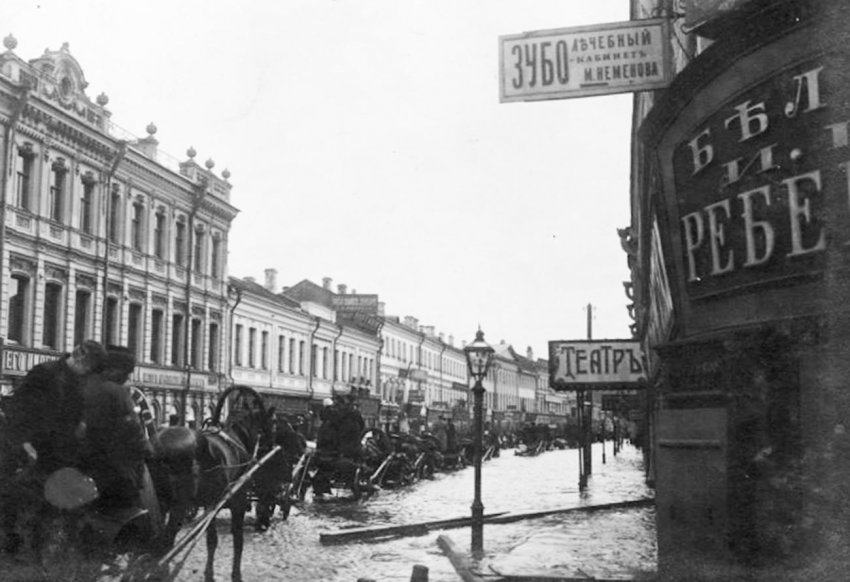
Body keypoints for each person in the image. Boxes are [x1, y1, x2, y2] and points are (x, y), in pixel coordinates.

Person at [1, 340, 107, 553]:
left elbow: (76, 415)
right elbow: (19, 410)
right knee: (17, 496)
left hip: (60, 451)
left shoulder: (79, 382)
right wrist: (24, 443)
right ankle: (12, 543)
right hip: (32, 448)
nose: (87, 372)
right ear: (80, 355)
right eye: (88, 366)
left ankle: (37, 547)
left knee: (50, 501)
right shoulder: (44, 373)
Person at [77, 345, 150, 514]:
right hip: (109, 470)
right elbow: (133, 430)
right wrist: (147, 449)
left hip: (77, 463)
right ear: (112, 370)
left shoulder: (81, 383)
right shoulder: (117, 392)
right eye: (125, 373)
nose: (126, 378)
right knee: (133, 493)